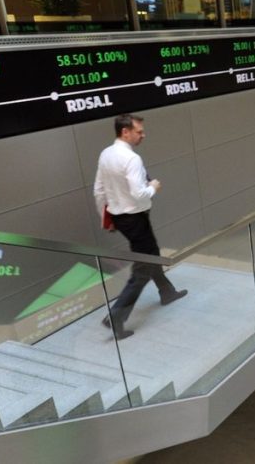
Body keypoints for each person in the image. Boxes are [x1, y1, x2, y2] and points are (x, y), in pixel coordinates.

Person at [95, 114, 187, 340]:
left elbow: (99, 191)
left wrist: (106, 219)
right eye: (139, 131)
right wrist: (153, 187)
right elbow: (139, 194)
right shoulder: (131, 159)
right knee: (143, 268)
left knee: (151, 253)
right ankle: (116, 316)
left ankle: (166, 291)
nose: (143, 135)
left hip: (120, 218)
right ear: (125, 132)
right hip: (135, 218)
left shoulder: (105, 154)